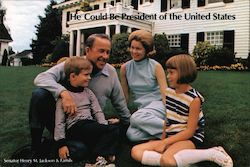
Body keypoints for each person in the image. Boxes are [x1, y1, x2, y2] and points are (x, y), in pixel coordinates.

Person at [29, 34, 131, 159]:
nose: (105, 56)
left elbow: (120, 102)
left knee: (80, 151)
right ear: (87, 50)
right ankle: (36, 147)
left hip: (90, 125)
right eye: (101, 51)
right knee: (39, 94)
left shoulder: (111, 72)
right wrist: (64, 93)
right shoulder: (74, 65)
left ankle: (52, 145)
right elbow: (41, 78)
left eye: (107, 52)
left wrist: (129, 124)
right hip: (63, 121)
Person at [130, 54, 233, 167]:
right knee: (135, 151)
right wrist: (162, 140)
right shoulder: (169, 92)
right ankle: (183, 161)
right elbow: (167, 119)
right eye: (168, 72)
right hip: (172, 136)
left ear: (184, 72)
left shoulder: (194, 99)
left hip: (189, 139)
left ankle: (212, 153)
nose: (168, 76)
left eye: (171, 73)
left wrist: (164, 143)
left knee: (167, 159)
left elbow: (190, 131)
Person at [54, 57, 119, 165]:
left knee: (116, 129)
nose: (89, 78)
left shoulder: (88, 92)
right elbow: (59, 121)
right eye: (86, 75)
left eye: (90, 74)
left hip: (89, 125)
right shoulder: (64, 98)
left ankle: (101, 153)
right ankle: (98, 158)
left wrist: (104, 126)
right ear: (73, 76)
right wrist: (61, 144)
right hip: (75, 126)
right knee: (113, 131)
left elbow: (97, 111)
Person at [120, 30, 167, 142]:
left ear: (147, 50)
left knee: (135, 118)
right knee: (132, 135)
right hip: (143, 110)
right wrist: (121, 116)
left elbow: (165, 94)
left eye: (138, 49)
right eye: (132, 47)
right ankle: (171, 134)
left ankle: (179, 131)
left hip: (159, 106)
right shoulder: (125, 68)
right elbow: (124, 97)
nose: (134, 51)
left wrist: (171, 112)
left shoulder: (156, 66)